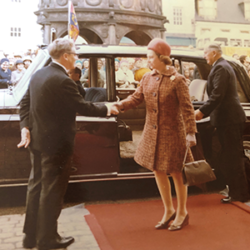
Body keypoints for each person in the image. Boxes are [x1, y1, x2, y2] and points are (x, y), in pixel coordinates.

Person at [17, 38, 119, 250]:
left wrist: (25, 127)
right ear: (65, 56)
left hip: (37, 142)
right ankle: (48, 239)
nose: (77, 58)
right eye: (75, 54)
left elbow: (25, 103)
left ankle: (30, 236)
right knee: (52, 191)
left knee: (35, 188)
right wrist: (108, 108)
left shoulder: (39, 74)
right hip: (56, 145)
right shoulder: (63, 80)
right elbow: (83, 107)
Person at [115, 38, 197, 231]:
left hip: (173, 134)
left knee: (177, 173)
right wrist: (120, 105)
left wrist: (191, 132)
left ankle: (182, 212)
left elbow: (187, 108)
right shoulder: (147, 78)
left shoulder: (178, 81)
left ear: (162, 58)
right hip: (152, 134)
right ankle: (168, 210)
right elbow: (136, 98)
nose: (148, 60)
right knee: (157, 170)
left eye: (151, 57)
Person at [195, 43, 250, 203]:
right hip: (228, 119)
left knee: (232, 158)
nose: (204, 56)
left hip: (229, 119)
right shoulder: (222, 66)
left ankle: (240, 194)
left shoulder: (221, 68)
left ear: (213, 53)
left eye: (205, 53)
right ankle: (238, 193)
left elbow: (217, 95)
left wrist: (201, 111)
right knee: (232, 157)